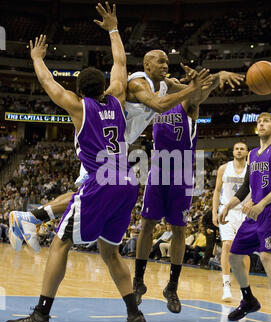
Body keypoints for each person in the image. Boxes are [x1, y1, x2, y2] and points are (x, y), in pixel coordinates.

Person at [6, 2, 151, 322]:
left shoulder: (77, 106)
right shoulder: (116, 97)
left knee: (59, 243)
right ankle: (135, 317)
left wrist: (37, 60)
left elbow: (48, 85)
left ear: (79, 90)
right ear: (104, 87)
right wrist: (114, 29)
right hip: (128, 182)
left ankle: (40, 317)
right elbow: (120, 63)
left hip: (100, 183)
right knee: (109, 252)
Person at [9, 50, 213, 254]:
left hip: (115, 147)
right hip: (102, 142)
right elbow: (154, 99)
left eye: (167, 62)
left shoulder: (162, 85)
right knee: (86, 195)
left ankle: (30, 218)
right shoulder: (134, 85)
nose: (165, 66)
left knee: (85, 194)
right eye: (161, 61)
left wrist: (205, 81)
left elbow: (196, 94)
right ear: (147, 64)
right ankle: (29, 218)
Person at [133, 69, 245, 313]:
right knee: (147, 224)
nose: (176, 80)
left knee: (179, 229)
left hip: (182, 175)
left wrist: (219, 76)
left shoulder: (189, 101)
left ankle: (171, 286)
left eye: (180, 80)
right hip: (157, 170)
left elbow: (202, 90)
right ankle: (138, 281)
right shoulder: (157, 103)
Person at [219, 112, 271, 322]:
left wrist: (261, 203)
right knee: (233, 254)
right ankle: (248, 299)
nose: (261, 124)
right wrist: (227, 206)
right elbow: (245, 189)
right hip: (256, 211)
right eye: (259, 122)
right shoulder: (252, 154)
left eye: (266, 122)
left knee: (266, 256)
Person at [212, 142, 250, 302]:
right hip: (227, 211)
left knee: (244, 250)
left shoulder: (251, 169)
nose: (239, 151)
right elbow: (217, 191)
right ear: (233, 151)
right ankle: (226, 286)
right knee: (227, 245)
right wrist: (214, 211)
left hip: (245, 212)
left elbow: (256, 189)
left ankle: (244, 288)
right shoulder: (223, 168)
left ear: (247, 152)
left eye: (242, 148)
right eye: (236, 148)